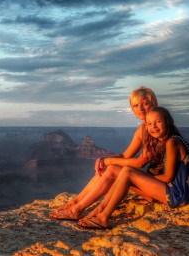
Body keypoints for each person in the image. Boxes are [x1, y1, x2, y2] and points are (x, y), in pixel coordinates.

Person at [49, 86, 160, 221]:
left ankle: (76, 210)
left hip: (159, 189)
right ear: (132, 109)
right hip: (151, 184)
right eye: (136, 105)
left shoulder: (154, 128)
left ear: (154, 103)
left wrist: (109, 162)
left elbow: (140, 161)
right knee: (108, 167)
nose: (141, 108)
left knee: (112, 168)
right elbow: (125, 156)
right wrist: (103, 159)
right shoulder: (143, 128)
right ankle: (74, 202)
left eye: (145, 103)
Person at [78, 107, 189, 229]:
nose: (153, 126)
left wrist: (145, 179)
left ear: (167, 122)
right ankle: (100, 208)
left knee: (128, 171)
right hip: (174, 193)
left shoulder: (171, 142)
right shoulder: (174, 140)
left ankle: (103, 218)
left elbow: (168, 177)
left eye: (158, 122)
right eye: (149, 124)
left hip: (176, 196)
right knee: (115, 169)